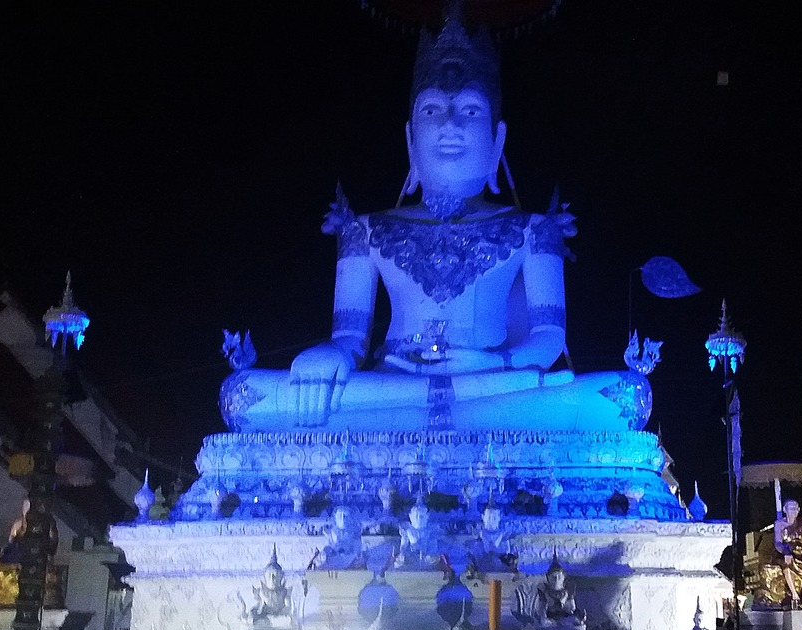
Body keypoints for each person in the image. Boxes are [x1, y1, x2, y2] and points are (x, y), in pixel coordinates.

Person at [217, 10, 648, 434]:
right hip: (392, 384)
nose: (450, 125)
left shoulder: (534, 230)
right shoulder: (364, 230)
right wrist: (327, 356)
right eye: (432, 111)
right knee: (244, 395)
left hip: (490, 383)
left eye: (471, 111)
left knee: (622, 396)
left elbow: (548, 338)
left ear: (498, 140)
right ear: (409, 139)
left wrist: (489, 363)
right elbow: (351, 340)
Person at [773, 499, 802, 606]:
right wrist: (786, 552)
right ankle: (794, 595)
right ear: (785, 510)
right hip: (785, 552)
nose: (793, 511)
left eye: (795, 509)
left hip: (801, 552)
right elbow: (778, 542)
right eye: (791, 508)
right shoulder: (779, 524)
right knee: (787, 564)